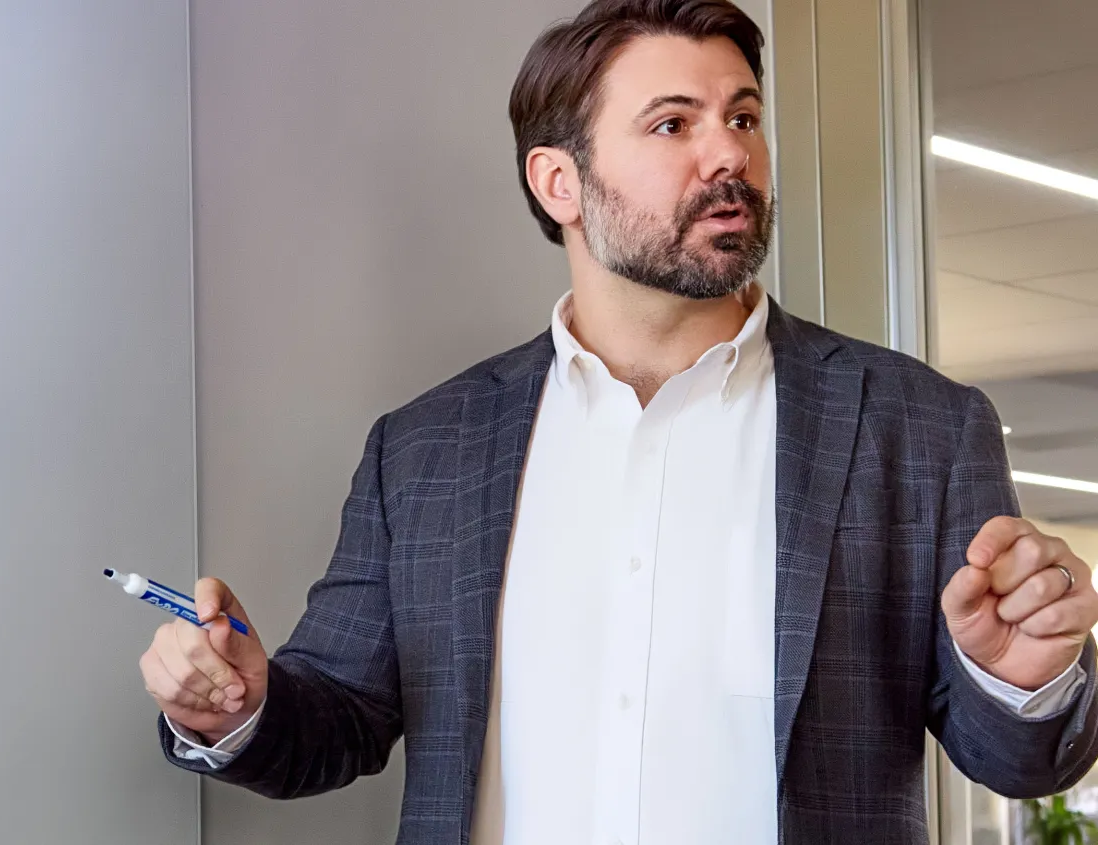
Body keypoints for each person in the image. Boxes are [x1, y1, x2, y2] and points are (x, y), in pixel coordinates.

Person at [138, 0, 1098, 841]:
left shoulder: (917, 426)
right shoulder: (425, 448)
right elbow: (339, 716)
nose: (730, 152)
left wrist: (1023, 679)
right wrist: (237, 705)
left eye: (744, 117)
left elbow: (1023, 763)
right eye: (673, 123)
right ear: (560, 183)